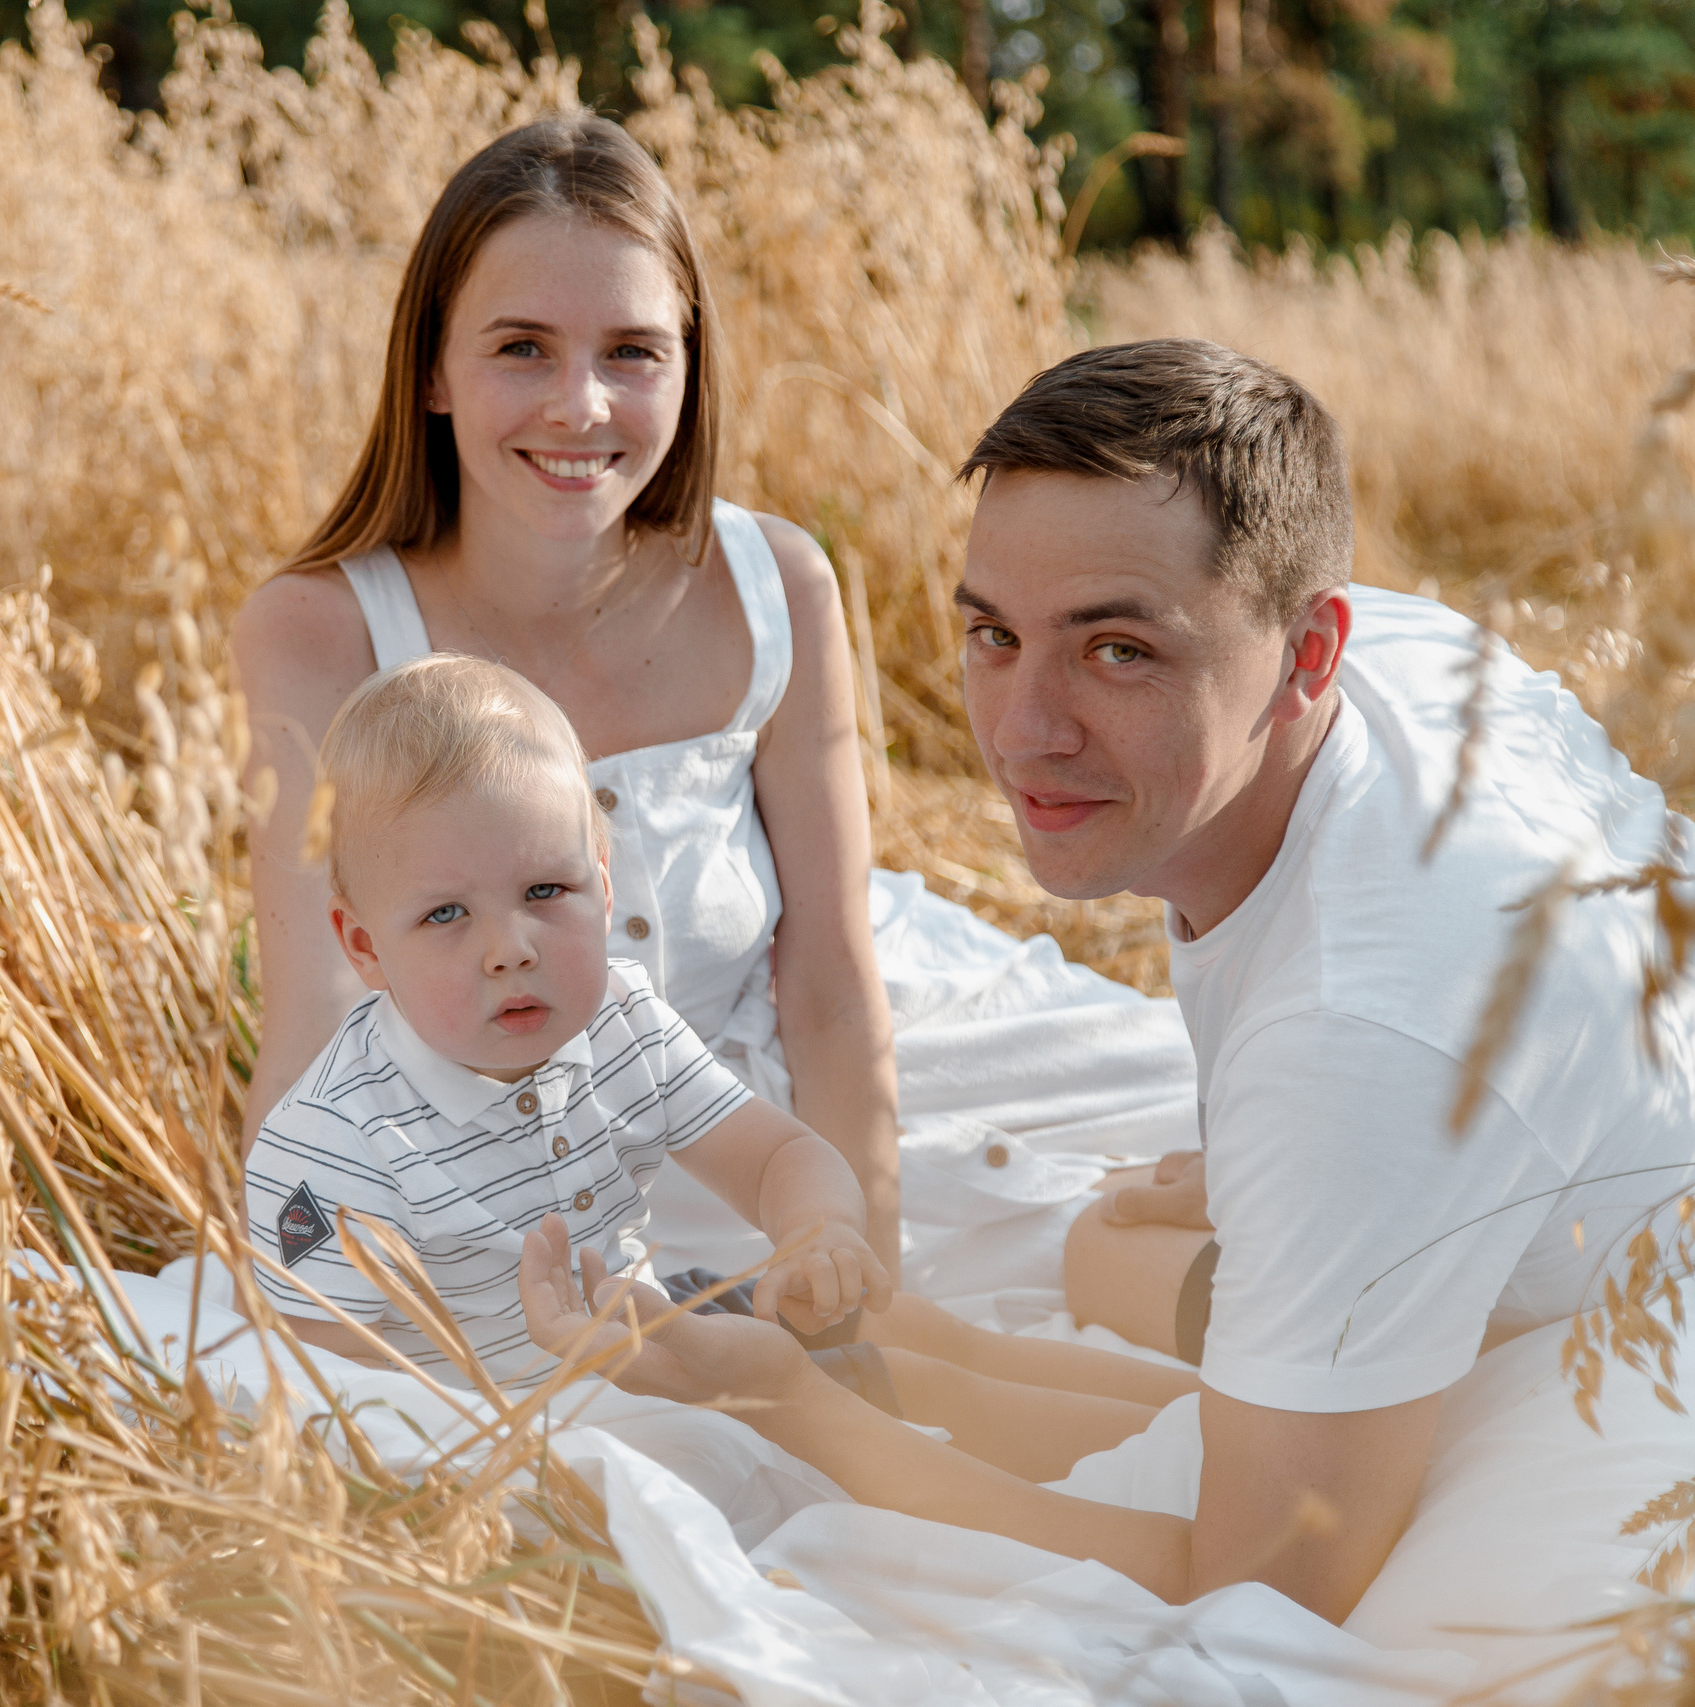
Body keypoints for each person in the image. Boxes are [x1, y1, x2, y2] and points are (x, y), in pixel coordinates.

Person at [520, 338, 1695, 1622]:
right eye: (993, 633)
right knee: (1111, 1241)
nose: (1024, 729)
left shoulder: (1361, 1031)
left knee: (1091, 1306)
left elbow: (1258, 1583)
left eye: (1117, 651)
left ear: (1305, 652)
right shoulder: (1395, 659)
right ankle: (921, 1345)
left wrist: (791, 1407)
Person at [231, 113, 1196, 1308]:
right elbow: (321, 1026)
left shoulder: (771, 583)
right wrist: (332, 1307)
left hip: (833, 1085)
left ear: (689, 366)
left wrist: (863, 1267)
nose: (580, 406)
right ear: (430, 368)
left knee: (1202, 1170)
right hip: (537, 1164)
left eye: (632, 351)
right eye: (521, 348)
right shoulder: (321, 630)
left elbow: (833, 983)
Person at [254, 653, 1192, 1474]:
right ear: (364, 945)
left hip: (665, 1322)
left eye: (548, 890)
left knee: (914, 1330)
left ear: (605, 881)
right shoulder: (335, 1146)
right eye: (445, 915)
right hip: (556, 1415)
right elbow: (331, 1381)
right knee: (897, 1391)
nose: (510, 946)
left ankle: (1213, 1427)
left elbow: (775, 1154)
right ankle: (1192, 1463)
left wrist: (816, 1226)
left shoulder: (618, 1019)